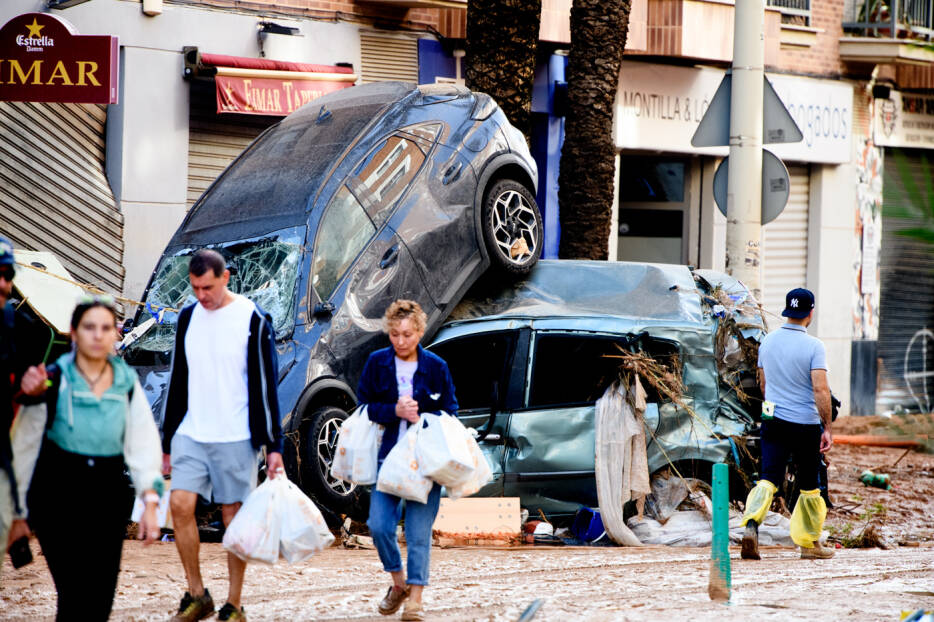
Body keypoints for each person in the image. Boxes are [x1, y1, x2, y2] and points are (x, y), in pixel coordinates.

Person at [9, 295, 164, 620]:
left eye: (106, 328)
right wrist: (18, 513)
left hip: (106, 502)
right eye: (89, 327)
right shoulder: (52, 379)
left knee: (100, 600)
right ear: (74, 333)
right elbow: (24, 443)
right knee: (74, 595)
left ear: (115, 334)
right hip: (56, 500)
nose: (97, 335)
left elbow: (143, 441)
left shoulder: (125, 383)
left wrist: (150, 501)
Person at [162, 249, 284, 622]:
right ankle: (197, 593)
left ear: (226, 277)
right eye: (195, 287)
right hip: (192, 432)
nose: (201, 295)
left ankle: (234, 603)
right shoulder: (187, 317)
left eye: (208, 287)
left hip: (236, 435)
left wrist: (273, 445)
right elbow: (178, 380)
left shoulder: (253, 319)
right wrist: (167, 442)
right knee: (181, 506)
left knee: (234, 518)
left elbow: (266, 386)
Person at [358, 300, 458, 622]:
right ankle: (398, 584)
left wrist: (424, 416)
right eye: (395, 335)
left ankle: (415, 600)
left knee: (418, 534)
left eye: (407, 335)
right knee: (378, 526)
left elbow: (451, 412)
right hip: (387, 459)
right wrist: (394, 411)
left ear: (420, 332)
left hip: (427, 464)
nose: (401, 342)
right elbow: (364, 407)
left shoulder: (437, 366)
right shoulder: (376, 363)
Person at [741, 287, 834, 560]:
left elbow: (763, 382)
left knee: (768, 478)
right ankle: (808, 544)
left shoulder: (767, 341)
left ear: (787, 310)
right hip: (804, 424)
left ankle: (750, 527)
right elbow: (820, 390)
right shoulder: (815, 346)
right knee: (809, 485)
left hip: (773, 420)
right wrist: (827, 426)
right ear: (810, 313)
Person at [0, 235, 49, 578]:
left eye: (8, 275)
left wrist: (37, 387)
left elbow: (35, 389)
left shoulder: (21, 326)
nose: (4, 284)